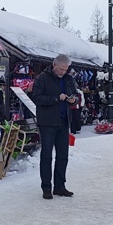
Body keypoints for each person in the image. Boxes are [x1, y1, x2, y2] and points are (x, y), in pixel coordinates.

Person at [30, 54, 78, 199]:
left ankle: (60, 186)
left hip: (63, 122)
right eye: (61, 69)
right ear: (54, 65)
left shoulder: (69, 79)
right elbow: (36, 98)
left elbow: (75, 96)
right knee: (47, 156)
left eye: (66, 69)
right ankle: (46, 188)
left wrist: (73, 100)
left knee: (63, 156)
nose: (63, 72)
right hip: (47, 123)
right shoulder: (42, 78)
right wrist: (57, 98)